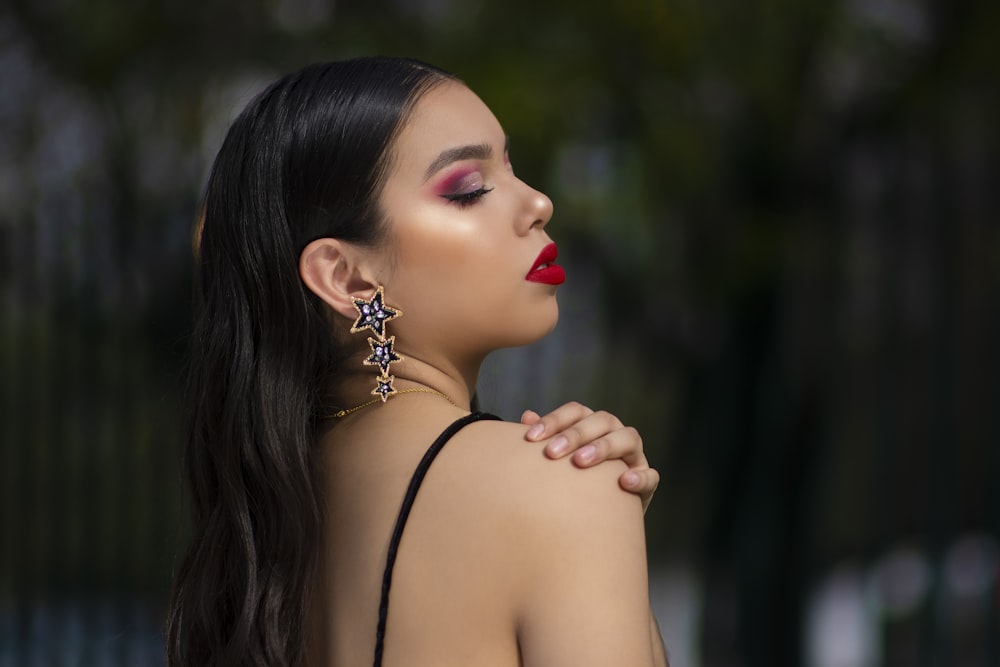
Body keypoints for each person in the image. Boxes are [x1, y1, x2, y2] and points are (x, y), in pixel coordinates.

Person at [166, 56, 668, 666]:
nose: (538, 202)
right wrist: (599, 521)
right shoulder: (561, 487)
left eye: (512, 168)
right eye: (468, 190)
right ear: (347, 278)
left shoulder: (268, 524)